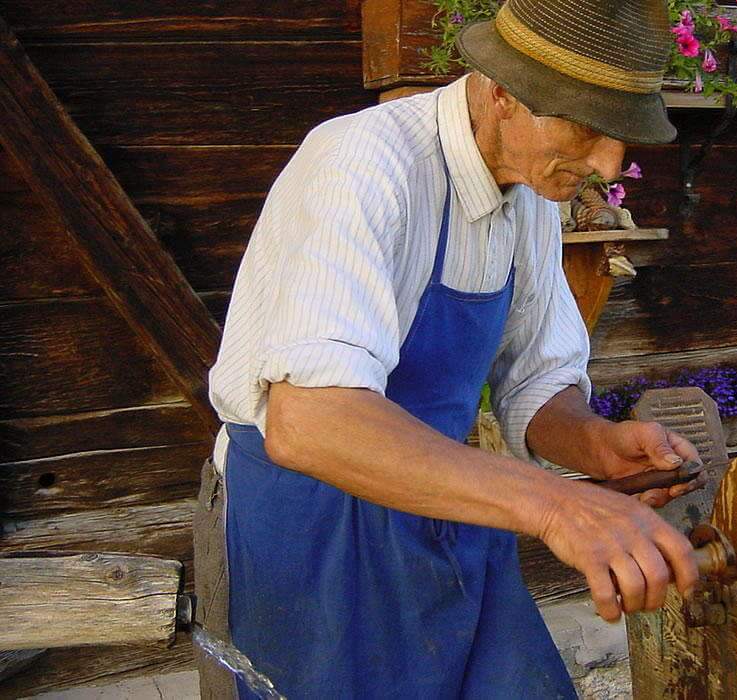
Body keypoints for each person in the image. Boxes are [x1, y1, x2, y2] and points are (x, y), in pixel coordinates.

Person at [192, 1, 700, 697]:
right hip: (317, 524)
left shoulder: (531, 195)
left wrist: (593, 444)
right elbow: (308, 422)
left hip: (450, 501)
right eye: (588, 126)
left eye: (622, 136)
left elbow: (535, 380)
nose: (609, 163)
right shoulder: (363, 165)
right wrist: (555, 506)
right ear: (501, 92)